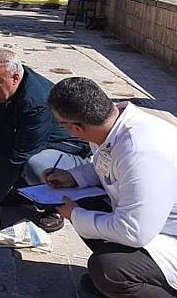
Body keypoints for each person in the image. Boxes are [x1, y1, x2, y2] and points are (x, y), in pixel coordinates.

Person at [45, 77, 177, 298]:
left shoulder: (140, 152)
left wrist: (76, 216)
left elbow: (135, 232)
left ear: (76, 128)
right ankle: (130, 278)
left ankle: (143, 283)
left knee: (108, 268)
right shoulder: (112, 124)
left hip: (168, 235)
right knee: (86, 202)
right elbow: (106, 165)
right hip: (152, 220)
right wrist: (73, 177)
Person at [0, 49, 91, 231]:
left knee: (35, 164)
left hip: (66, 152)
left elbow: (22, 155)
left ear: (15, 78)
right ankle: (23, 191)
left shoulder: (37, 100)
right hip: (26, 139)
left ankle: (53, 206)